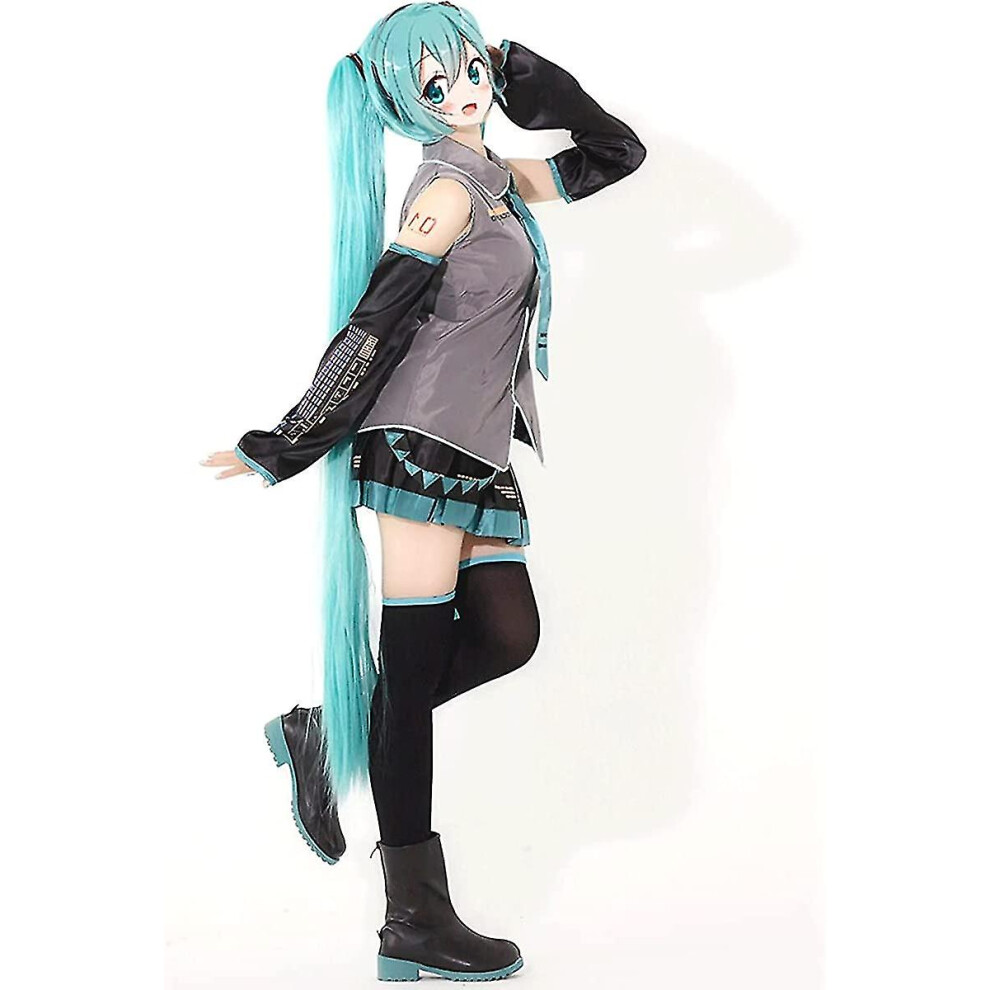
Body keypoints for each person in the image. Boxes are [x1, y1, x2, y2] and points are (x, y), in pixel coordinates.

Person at [200, 3, 645, 981]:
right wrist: (287, 440)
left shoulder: (499, 179)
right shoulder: (444, 191)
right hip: (420, 447)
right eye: (434, 83)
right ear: (406, 103)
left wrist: (531, 77)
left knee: (509, 634)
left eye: (469, 67)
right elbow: (379, 321)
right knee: (410, 676)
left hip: (477, 448)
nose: (463, 91)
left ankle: (330, 733)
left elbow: (616, 154)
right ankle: (413, 916)